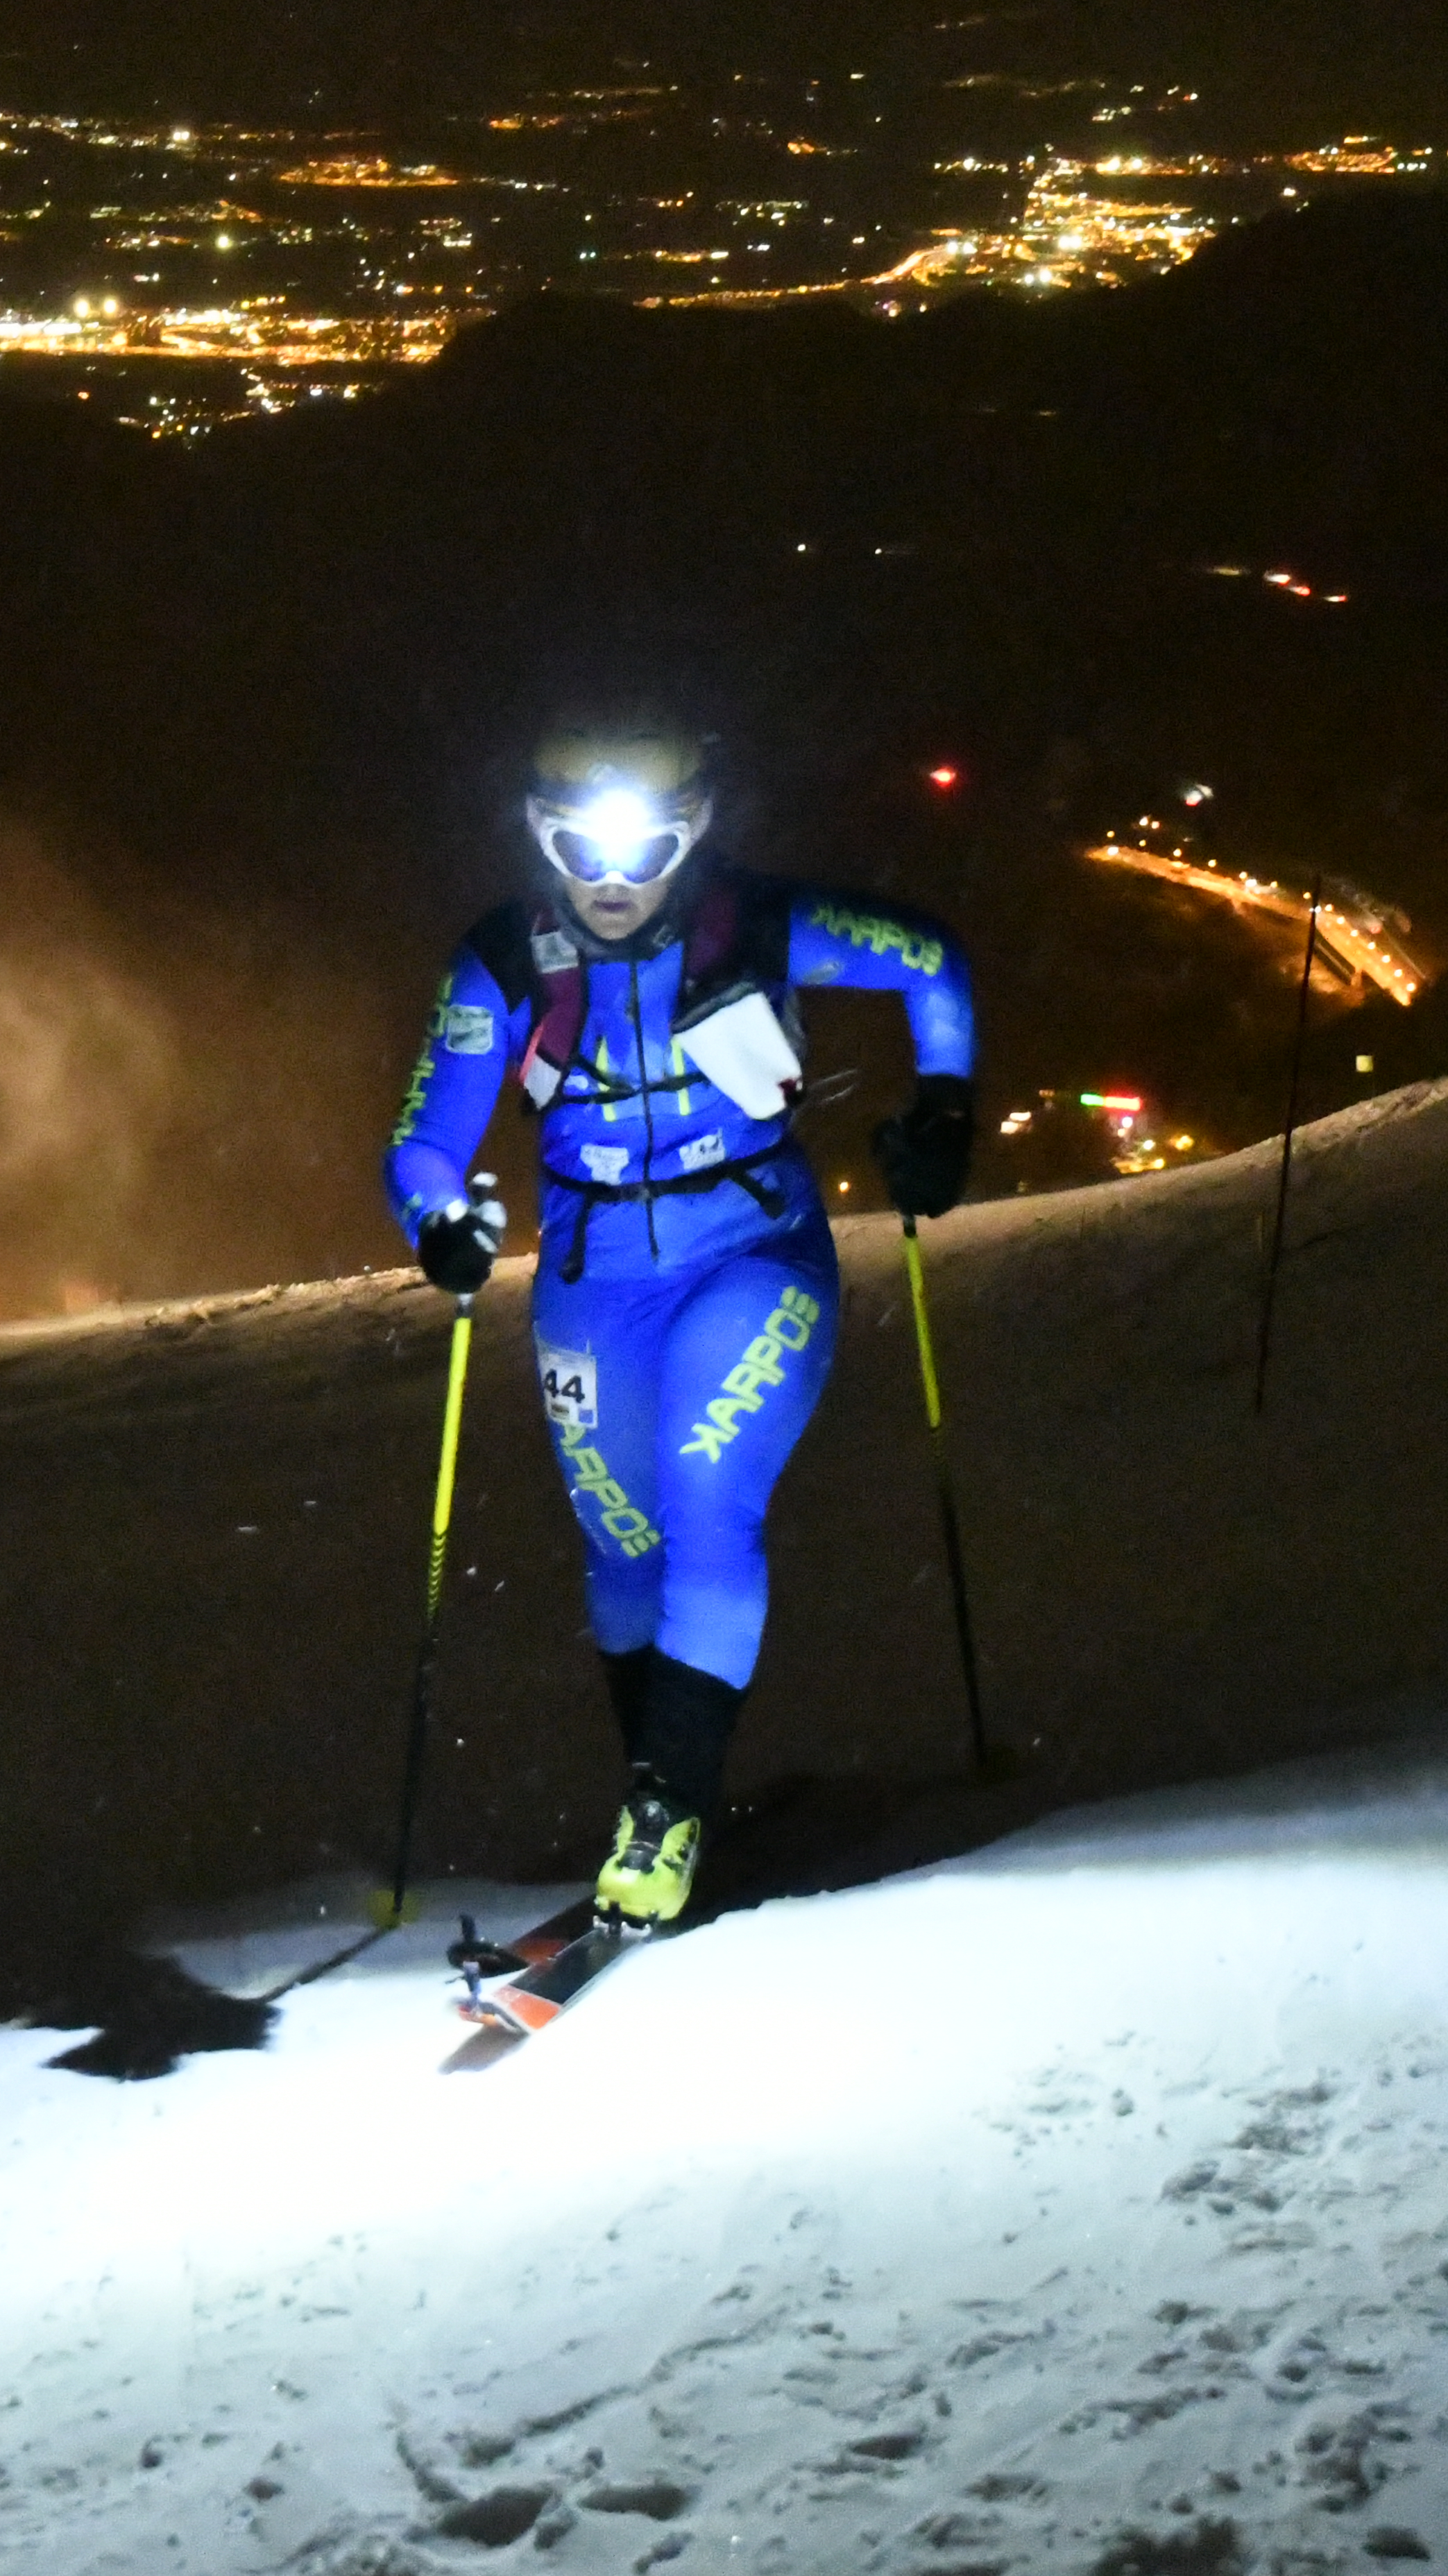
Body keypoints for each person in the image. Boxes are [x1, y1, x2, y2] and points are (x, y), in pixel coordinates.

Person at [383, 712, 977, 1930]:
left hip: (753, 1255)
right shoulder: (505, 960)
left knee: (708, 1486)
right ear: (539, 835)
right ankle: (671, 1783)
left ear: (694, 828)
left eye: (645, 850)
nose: (611, 883)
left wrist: (948, 1110)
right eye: (578, 849)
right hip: (592, 1288)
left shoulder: (754, 925)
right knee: (624, 1557)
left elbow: (930, 960)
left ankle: (665, 1811)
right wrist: (437, 1223)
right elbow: (424, 1143)